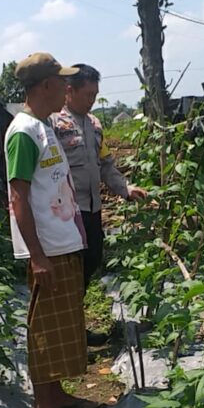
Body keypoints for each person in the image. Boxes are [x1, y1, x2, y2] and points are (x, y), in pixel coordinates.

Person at [6, 52, 95, 408]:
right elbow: (18, 198)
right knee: (45, 329)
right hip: (47, 250)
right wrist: (38, 256)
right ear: (46, 86)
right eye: (62, 82)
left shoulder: (43, 127)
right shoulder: (24, 133)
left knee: (62, 326)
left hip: (62, 243)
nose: (66, 88)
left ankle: (56, 395)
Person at [51, 64, 147, 342]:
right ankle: (68, 332)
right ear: (69, 91)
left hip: (91, 209)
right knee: (70, 271)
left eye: (95, 94)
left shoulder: (94, 125)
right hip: (66, 212)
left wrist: (125, 189)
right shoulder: (54, 124)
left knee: (91, 260)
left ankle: (74, 326)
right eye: (88, 94)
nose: (92, 100)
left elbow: (106, 166)